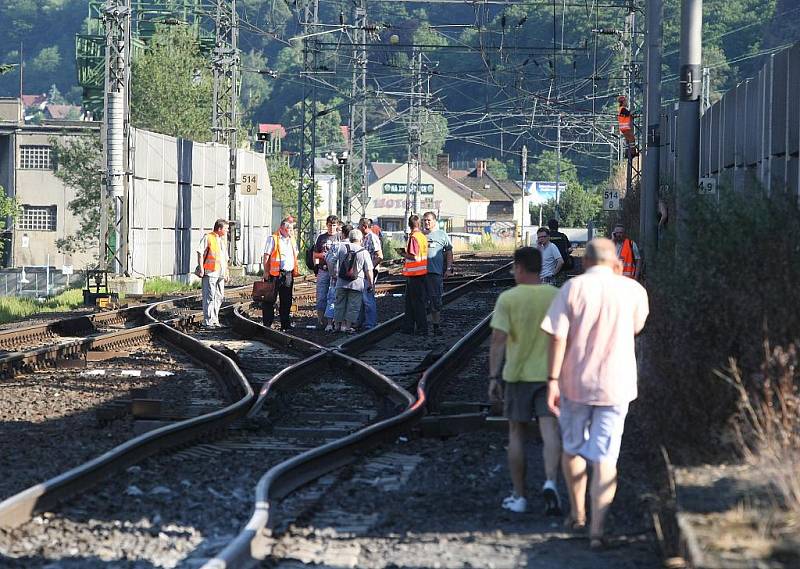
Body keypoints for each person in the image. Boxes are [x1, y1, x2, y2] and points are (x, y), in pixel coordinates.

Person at [540, 238, 649, 550]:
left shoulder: (572, 289)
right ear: (616, 264)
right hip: (617, 385)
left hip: (575, 384)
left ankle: (578, 515)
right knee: (606, 457)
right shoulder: (634, 291)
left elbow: (557, 337)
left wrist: (551, 380)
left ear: (585, 262)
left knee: (572, 449)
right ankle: (598, 532)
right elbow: (636, 328)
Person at [488, 247, 562, 515]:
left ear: (519, 268)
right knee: (550, 431)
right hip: (550, 375)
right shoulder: (556, 296)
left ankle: (519, 497)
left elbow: (498, 340)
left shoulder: (508, 298)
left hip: (518, 376)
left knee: (516, 433)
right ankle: (551, 482)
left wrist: (493, 376)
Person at [262, 217, 299, 331]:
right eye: (289, 229)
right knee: (270, 299)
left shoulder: (292, 239)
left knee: (286, 300)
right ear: (282, 228)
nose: (292, 231)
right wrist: (266, 271)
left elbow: (295, 254)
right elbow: (266, 256)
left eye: (292, 229)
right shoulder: (273, 239)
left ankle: (285, 324)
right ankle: (268, 324)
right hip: (275, 273)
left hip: (288, 273)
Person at [333, 229, 374, 333]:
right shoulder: (364, 252)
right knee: (353, 306)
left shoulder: (341, 247)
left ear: (350, 238)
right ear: (360, 239)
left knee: (339, 303)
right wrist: (371, 284)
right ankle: (347, 327)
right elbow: (369, 270)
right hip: (357, 284)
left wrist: (333, 274)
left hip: (341, 281)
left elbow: (330, 260)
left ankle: (337, 326)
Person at [422, 211, 453, 335]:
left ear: (434, 221)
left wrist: (449, 268)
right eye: (424, 220)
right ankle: (422, 326)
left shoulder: (442, 235)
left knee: (435, 300)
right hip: (420, 274)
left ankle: (436, 326)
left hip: (435, 273)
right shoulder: (420, 235)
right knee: (421, 300)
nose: (426, 222)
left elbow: (449, 252)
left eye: (428, 220)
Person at [195, 219, 229, 329]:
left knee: (219, 296)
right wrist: (201, 268)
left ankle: (215, 320)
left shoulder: (222, 240)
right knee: (209, 297)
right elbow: (200, 252)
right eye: (226, 229)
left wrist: (227, 272)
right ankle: (208, 321)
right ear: (219, 229)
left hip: (220, 273)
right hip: (210, 272)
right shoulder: (208, 237)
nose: (227, 231)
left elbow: (225, 258)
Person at [401, 214, 429, 336]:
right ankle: (410, 326)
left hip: (414, 274)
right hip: (421, 272)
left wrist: (403, 254)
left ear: (409, 225)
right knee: (413, 301)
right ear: (419, 224)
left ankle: (421, 328)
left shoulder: (414, 237)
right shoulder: (422, 236)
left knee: (416, 303)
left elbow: (414, 256)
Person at [313, 215, 341, 330]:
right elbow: (315, 255)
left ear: (337, 225)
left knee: (335, 296)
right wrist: (317, 264)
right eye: (330, 225)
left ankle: (335, 320)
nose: (332, 228)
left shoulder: (340, 237)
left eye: (334, 225)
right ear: (326, 225)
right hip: (323, 270)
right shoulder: (321, 238)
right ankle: (321, 321)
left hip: (336, 271)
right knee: (321, 296)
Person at [356, 217, 384, 330]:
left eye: (359, 226)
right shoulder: (364, 238)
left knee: (368, 298)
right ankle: (361, 321)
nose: (357, 228)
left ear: (364, 226)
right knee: (361, 298)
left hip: (369, 272)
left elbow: (380, 256)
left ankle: (370, 323)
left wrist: (369, 268)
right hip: (363, 272)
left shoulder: (373, 238)